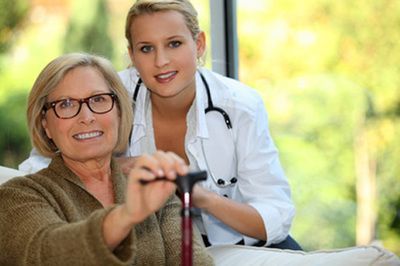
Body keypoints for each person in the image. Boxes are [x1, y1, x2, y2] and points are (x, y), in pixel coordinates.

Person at [19, 0, 301, 250]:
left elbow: (274, 215)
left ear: (199, 44)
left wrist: (195, 195)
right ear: (131, 55)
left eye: (174, 44)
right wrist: (116, 167)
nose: (161, 61)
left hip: (244, 245)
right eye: (146, 48)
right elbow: (36, 169)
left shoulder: (241, 106)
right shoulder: (106, 96)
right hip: (157, 243)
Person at [1, 53, 214, 265]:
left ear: (119, 112)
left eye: (98, 99)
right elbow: (47, 254)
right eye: (66, 104)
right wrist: (126, 215)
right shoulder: (18, 195)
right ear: (45, 124)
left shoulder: (154, 190)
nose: (86, 117)